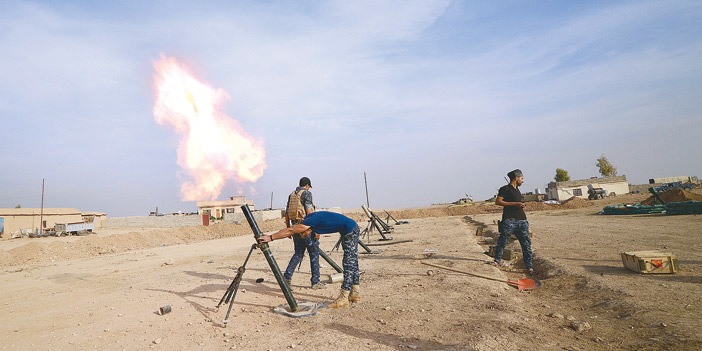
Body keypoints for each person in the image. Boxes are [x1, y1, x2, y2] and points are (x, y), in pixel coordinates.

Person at [258, 211, 361, 308]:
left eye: (303, 233)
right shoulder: (309, 219)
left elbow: (290, 230)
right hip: (351, 228)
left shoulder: (307, 222)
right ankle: (355, 293)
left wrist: (271, 237)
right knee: (353, 261)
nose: (304, 236)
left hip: (350, 230)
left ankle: (344, 297)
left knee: (349, 263)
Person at [492, 169, 537, 275]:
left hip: (522, 220)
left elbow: (516, 203)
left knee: (526, 244)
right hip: (509, 220)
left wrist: (520, 205)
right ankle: (496, 261)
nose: (523, 181)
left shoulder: (517, 190)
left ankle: (529, 267)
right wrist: (514, 204)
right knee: (503, 242)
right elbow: (498, 202)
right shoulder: (505, 189)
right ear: (516, 178)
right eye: (522, 179)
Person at [282, 177, 324, 289]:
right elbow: (309, 212)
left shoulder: (291, 195)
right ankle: (315, 282)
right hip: (306, 228)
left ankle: (287, 277)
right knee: (314, 253)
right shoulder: (307, 194)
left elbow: (286, 213)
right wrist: (315, 229)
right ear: (307, 185)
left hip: (295, 228)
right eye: (309, 186)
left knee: (298, 253)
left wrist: (288, 229)